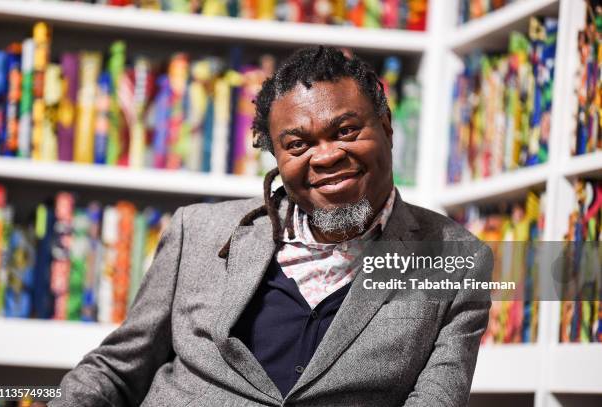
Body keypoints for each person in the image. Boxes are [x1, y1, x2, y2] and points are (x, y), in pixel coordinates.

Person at [50, 46, 492, 407]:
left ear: (387, 127)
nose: (325, 157)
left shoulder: (458, 258)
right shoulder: (196, 232)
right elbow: (115, 370)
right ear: (277, 158)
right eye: (298, 144)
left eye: (346, 131)